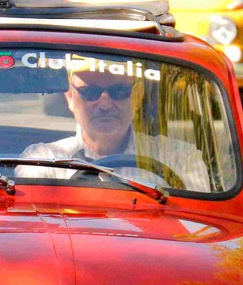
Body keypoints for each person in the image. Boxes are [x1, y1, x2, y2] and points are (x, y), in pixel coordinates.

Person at [15, 64, 208, 191]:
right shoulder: (40, 161)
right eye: (90, 92)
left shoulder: (180, 158)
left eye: (120, 92)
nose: (105, 104)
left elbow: (198, 232)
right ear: (70, 98)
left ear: (138, 96)